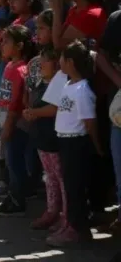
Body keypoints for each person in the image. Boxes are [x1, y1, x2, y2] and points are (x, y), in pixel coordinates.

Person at [50, 42, 102, 245]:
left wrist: (96, 145)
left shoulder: (82, 90)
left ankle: (78, 230)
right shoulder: (67, 84)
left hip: (76, 144)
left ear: (70, 62)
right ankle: (70, 224)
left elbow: (90, 122)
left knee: (76, 188)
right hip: (64, 141)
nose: (59, 62)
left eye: (62, 58)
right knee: (70, 186)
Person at [21, 47, 64, 232]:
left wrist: (34, 112)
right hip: (41, 137)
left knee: (61, 178)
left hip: (54, 138)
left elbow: (55, 108)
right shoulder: (40, 82)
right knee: (50, 177)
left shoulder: (60, 83)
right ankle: (51, 211)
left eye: (45, 61)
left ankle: (65, 216)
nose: (41, 65)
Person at [0, 24, 32, 215]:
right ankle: (12, 194)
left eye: (6, 42)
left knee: (14, 161)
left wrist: (8, 125)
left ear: (19, 46)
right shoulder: (9, 65)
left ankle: (18, 199)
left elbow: (16, 102)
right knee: (9, 160)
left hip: (16, 124)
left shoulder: (21, 70)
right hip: (4, 119)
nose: (2, 45)